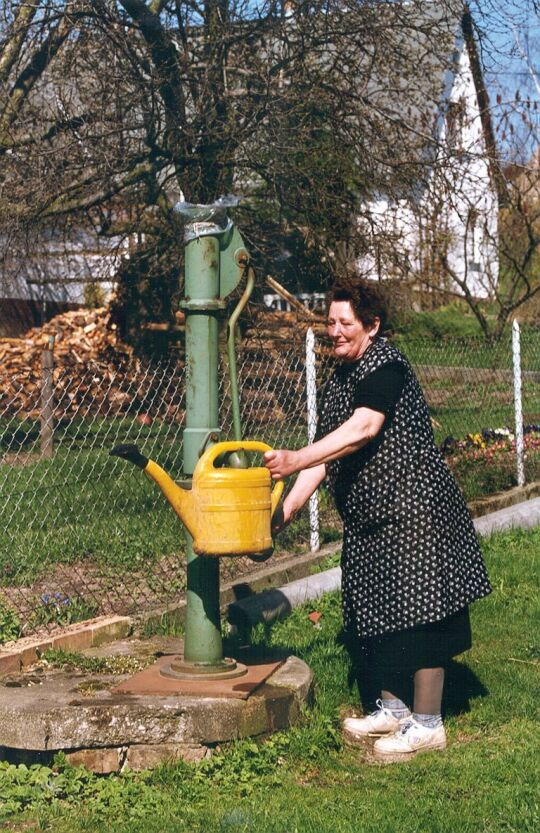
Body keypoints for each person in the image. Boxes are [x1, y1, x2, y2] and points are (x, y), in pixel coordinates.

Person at [263, 279, 491, 763]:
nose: (336, 331)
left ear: (372, 325)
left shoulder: (385, 365)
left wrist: (296, 456)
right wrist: (281, 514)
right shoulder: (341, 377)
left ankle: (428, 725)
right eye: (330, 322)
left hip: (414, 508)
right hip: (370, 516)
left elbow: (363, 429)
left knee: (421, 612)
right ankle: (393, 709)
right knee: (375, 607)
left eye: (346, 323)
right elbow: (327, 458)